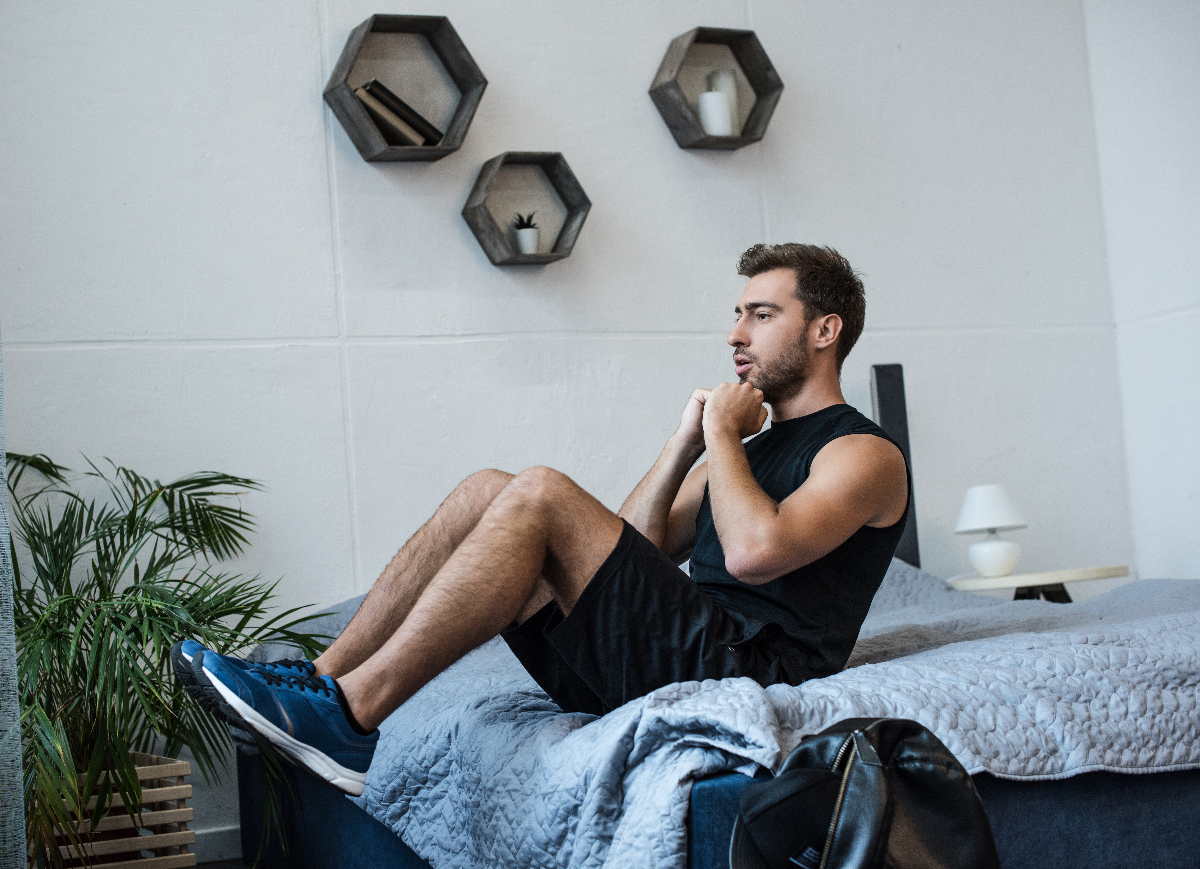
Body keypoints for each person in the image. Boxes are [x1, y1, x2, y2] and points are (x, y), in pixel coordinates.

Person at [173, 243, 910, 797]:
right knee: (486, 489)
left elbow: (754, 552)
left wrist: (720, 433)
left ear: (824, 331)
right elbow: (636, 551)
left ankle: (356, 718)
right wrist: (686, 441)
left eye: (762, 314)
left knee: (540, 491)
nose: (735, 335)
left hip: (746, 672)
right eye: (737, 313)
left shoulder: (863, 453)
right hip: (667, 656)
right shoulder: (739, 450)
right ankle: (320, 686)